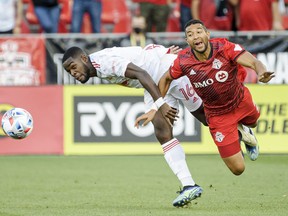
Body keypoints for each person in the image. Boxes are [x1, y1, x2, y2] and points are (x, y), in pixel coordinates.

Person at [62, 44, 208, 207]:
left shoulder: (104, 62)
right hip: (154, 81)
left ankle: (241, 130)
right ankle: (189, 185)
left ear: (83, 58)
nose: (73, 73)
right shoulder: (97, 65)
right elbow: (136, 54)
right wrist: (161, 52)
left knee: (207, 119)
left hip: (167, 73)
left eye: (73, 67)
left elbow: (141, 73)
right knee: (163, 133)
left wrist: (160, 103)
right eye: (69, 72)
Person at [152, 19, 275, 176]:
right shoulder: (183, 60)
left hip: (240, 101)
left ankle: (247, 132)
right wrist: (157, 105)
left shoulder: (224, 48)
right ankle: (239, 134)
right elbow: (165, 78)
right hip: (217, 115)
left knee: (254, 123)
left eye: (199, 32)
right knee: (238, 169)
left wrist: (261, 73)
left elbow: (253, 62)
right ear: (187, 40)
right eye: (190, 34)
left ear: (207, 34)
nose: (195, 36)